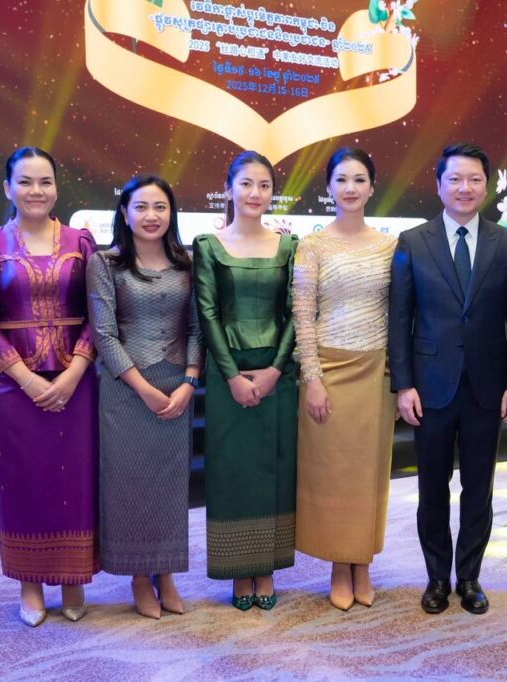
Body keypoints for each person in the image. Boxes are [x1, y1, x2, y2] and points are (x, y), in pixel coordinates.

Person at [389, 142, 507, 615]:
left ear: (486, 187)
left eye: (474, 179)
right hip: (430, 386)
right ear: (439, 185)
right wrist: (403, 384)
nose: (464, 188)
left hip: (487, 385)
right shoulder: (413, 241)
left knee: (478, 487)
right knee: (432, 487)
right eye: (455, 179)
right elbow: (400, 317)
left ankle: (469, 577)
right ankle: (436, 577)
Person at [0, 147, 98, 627]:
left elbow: (99, 312)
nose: (36, 190)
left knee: (74, 482)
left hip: (75, 384)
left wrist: (74, 372)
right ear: (8, 188)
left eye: (45, 181)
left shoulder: (82, 242)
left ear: (57, 188)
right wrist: (23, 376)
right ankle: (30, 584)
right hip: (10, 389)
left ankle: (73, 579)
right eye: (25, 181)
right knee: (22, 485)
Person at [87, 175, 202, 619]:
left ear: (172, 213)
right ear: (124, 212)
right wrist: (143, 388)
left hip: (177, 388)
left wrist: (189, 381)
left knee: (169, 486)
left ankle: (166, 573)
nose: (151, 216)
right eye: (141, 207)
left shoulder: (187, 263)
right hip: (126, 391)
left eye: (160, 207)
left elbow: (196, 330)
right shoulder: (105, 263)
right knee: (131, 484)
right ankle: (139, 576)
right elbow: (104, 335)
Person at [292, 147, 398, 611]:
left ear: (372, 187)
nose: (350, 188)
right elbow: (303, 313)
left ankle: (362, 562)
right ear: (329, 188)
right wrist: (312, 377)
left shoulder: (390, 246)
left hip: (376, 371)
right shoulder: (312, 245)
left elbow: (399, 312)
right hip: (328, 370)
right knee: (334, 473)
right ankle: (339, 564)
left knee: (368, 472)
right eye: (342, 180)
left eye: (359, 179)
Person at [193, 151, 298, 611]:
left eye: (264, 185)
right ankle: (239, 569)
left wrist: (275, 370)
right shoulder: (208, 244)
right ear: (229, 189)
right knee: (233, 471)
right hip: (226, 374)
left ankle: (267, 567)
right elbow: (208, 314)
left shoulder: (289, 246)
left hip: (278, 373)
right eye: (247, 184)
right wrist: (232, 376)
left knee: (274, 469)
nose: (256, 193)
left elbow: (295, 312)